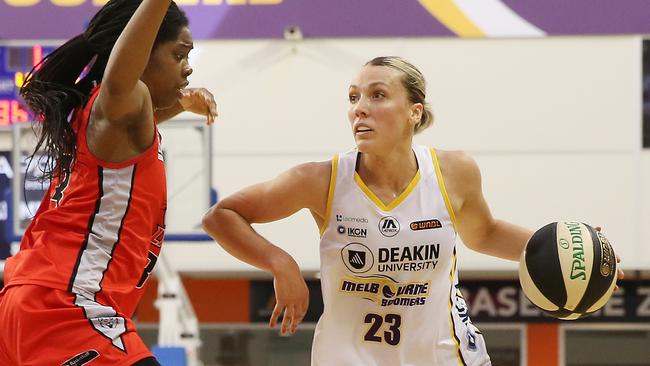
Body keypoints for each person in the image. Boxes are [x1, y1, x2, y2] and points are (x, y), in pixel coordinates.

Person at [202, 56, 622, 365]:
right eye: (353, 97)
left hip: (446, 353)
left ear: (414, 112)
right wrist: (281, 263)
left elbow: (484, 232)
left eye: (377, 95)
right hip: (350, 357)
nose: (359, 107)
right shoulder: (321, 179)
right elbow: (221, 216)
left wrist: (571, 254)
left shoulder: (453, 171)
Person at [0, 0, 217, 365]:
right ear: (140, 50)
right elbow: (123, 81)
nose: (188, 67)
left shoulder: (106, 119)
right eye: (178, 54)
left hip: (32, 301)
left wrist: (179, 106)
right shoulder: (118, 99)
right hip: (66, 305)